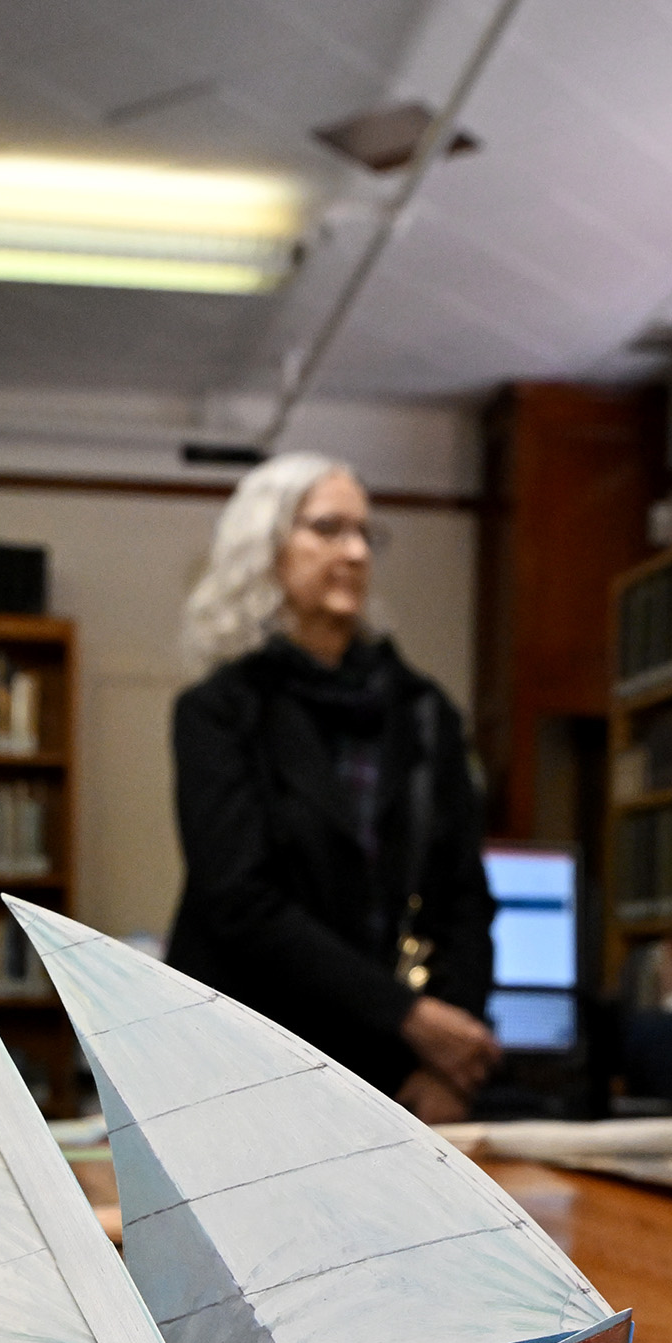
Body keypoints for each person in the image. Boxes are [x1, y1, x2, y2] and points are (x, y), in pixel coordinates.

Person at [168, 453, 502, 1121]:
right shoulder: (219, 711)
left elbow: (463, 897)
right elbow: (240, 901)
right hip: (243, 1060)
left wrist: (449, 1063)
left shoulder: (424, 711)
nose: (354, 552)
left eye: (365, 534)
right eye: (327, 529)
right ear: (265, 548)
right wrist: (408, 1016)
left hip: (392, 1071)